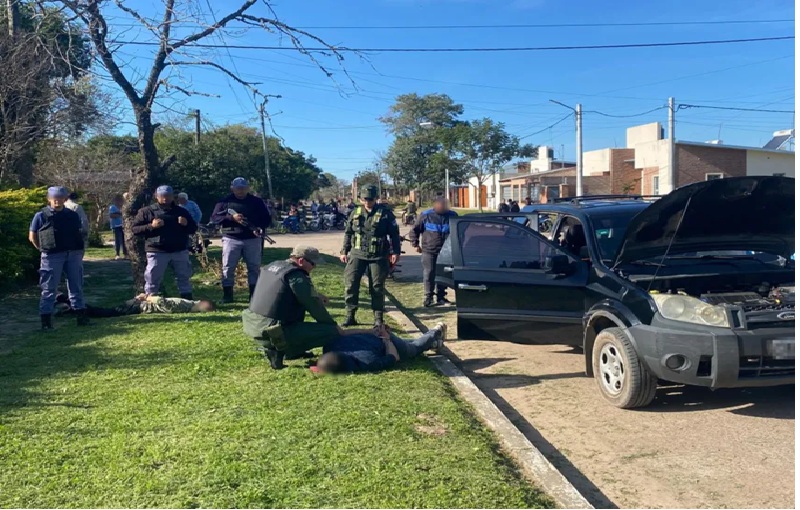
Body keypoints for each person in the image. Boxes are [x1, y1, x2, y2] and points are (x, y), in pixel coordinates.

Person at [243, 245, 369, 370]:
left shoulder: (273, 266)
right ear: (301, 261)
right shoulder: (296, 277)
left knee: (296, 309)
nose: (315, 267)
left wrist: (317, 295)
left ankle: (292, 351)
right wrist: (332, 326)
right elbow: (315, 307)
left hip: (253, 325)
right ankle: (278, 350)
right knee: (331, 332)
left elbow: (281, 292)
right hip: (272, 332)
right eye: (313, 264)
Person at [340, 185, 401, 328]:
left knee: (377, 287)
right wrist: (344, 251)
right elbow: (348, 233)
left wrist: (395, 252)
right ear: (361, 199)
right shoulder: (355, 212)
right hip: (357, 254)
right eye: (365, 199)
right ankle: (350, 315)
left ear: (376, 199)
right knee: (351, 283)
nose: (368, 201)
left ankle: (378, 318)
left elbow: (394, 235)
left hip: (378, 255)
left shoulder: (386, 213)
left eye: (371, 199)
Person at [29, 186, 89, 329]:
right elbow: (32, 236)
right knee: (49, 288)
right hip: (52, 255)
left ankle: (81, 317)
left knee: (76, 285)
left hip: (73, 254)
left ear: (65, 199)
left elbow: (79, 233)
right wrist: (43, 249)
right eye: (55, 198)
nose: (58, 201)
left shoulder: (72, 214)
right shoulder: (41, 215)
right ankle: (46, 323)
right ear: (49, 199)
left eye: (61, 198)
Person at [211, 177, 272, 303]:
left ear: (247, 188)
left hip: (252, 238)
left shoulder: (256, 202)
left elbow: (267, 219)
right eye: (238, 188)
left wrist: (260, 227)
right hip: (231, 239)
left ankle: (254, 297)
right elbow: (215, 218)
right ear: (232, 188)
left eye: (243, 188)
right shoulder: (224, 202)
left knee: (254, 267)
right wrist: (231, 218)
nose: (240, 191)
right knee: (228, 267)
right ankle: (227, 296)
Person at [132, 185, 197, 299]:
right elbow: (135, 229)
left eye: (167, 196)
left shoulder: (181, 211)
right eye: (162, 196)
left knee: (184, 276)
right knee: (153, 278)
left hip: (179, 250)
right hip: (157, 251)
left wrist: (186, 223)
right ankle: (150, 299)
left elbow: (193, 228)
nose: (165, 198)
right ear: (157, 197)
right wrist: (151, 226)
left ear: (173, 197)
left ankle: (187, 299)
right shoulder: (147, 211)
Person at [315, 323, 446, 374]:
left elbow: (393, 357)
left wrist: (386, 338)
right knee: (409, 343)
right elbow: (345, 333)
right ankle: (433, 343)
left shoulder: (367, 362)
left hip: (384, 341)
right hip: (376, 337)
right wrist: (373, 332)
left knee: (413, 348)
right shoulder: (329, 346)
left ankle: (435, 332)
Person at [408, 197, 458, 307]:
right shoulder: (426, 215)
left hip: (446, 251)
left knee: (443, 274)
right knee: (429, 273)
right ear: (435, 206)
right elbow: (414, 230)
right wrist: (415, 244)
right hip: (429, 250)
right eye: (440, 206)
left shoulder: (452, 216)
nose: (442, 208)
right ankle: (428, 297)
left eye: (444, 206)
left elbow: (458, 232)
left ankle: (441, 297)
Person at [54, 292, 215, 318]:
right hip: (139, 306)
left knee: (105, 312)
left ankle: (70, 308)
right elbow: (165, 304)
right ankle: (68, 302)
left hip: (140, 304)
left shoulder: (188, 305)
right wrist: (147, 297)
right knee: (105, 313)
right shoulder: (185, 306)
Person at [108, 194, 128, 260]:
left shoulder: (123, 207)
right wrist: (119, 214)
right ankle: (117, 254)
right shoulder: (112, 207)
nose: (120, 201)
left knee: (124, 240)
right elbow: (112, 215)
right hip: (116, 226)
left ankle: (125, 254)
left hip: (123, 225)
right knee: (117, 240)